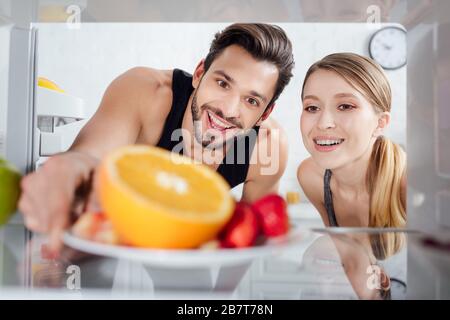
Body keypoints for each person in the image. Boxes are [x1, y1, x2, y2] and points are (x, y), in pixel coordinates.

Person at [19, 23, 294, 252]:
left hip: (190, 242)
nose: (229, 110)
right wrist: (72, 166)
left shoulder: (268, 147)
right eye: (222, 83)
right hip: (121, 228)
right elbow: (90, 154)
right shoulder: (145, 91)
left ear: (266, 112)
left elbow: (248, 240)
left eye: (251, 101)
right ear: (200, 74)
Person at [297, 52, 406, 228]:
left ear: (380, 122)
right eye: (312, 107)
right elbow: (339, 251)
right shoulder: (311, 177)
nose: (324, 124)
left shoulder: (408, 186)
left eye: (345, 106)